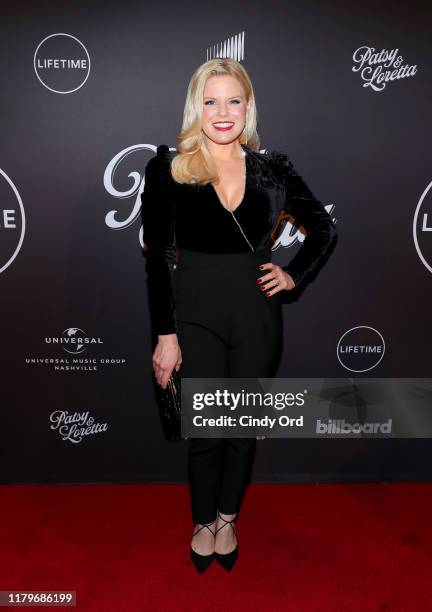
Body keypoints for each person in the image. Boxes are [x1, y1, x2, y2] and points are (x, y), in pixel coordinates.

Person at [141, 58, 337, 573]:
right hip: (197, 319)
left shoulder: (274, 170)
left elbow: (323, 229)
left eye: (233, 100)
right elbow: (158, 258)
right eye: (210, 101)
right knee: (206, 429)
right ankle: (203, 521)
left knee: (241, 427)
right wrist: (165, 334)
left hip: (257, 319)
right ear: (196, 108)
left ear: (248, 106)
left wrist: (294, 274)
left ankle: (228, 518)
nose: (222, 112)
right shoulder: (167, 167)